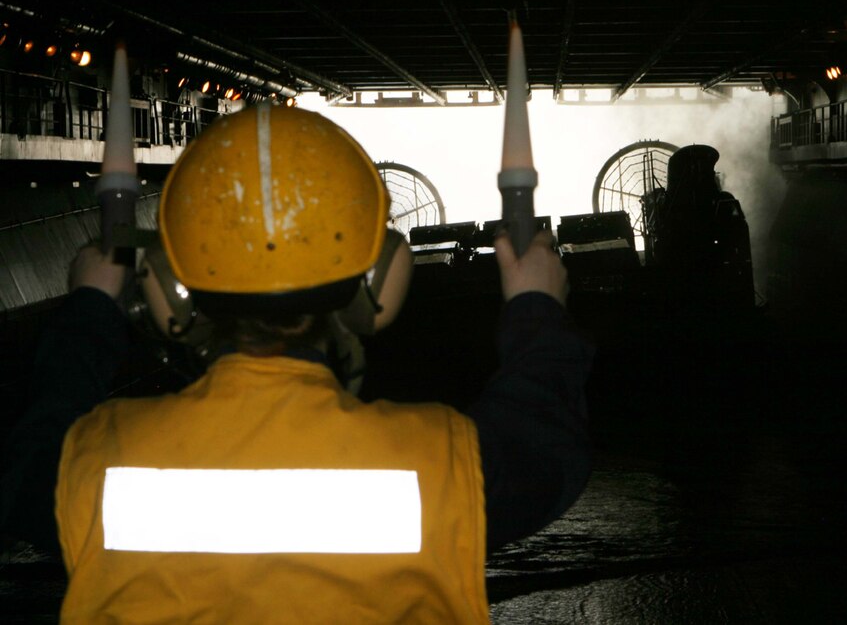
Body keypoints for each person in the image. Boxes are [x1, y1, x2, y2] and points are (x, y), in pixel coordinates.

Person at [4, 103, 593, 623]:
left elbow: (32, 456)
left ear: (166, 291)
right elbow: (544, 444)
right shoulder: (438, 462)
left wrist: (88, 309)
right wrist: (535, 305)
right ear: (379, 282)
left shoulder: (98, 462)